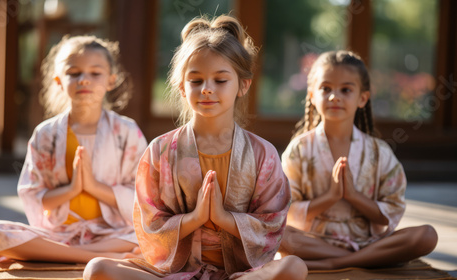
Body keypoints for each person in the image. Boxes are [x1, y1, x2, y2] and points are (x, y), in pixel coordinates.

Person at [83, 15, 307, 280]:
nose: (207, 90)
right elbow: (150, 225)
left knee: (294, 267)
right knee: (96, 270)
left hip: (242, 272)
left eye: (220, 80)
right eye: (196, 80)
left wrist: (224, 219)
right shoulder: (160, 151)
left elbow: (272, 225)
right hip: (179, 270)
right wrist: (196, 218)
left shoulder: (262, 154)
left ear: (243, 85)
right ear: (181, 86)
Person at [0, 35, 148, 263]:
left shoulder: (127, 131)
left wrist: (93, 187)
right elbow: (32, 194)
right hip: (59, 234)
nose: (84, 80)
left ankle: (70, 255)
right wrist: (71, 190)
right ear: (59, 80)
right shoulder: (46, 134)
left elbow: (143, 198)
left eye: (95, 73)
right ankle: (91, 256)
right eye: (74, 73)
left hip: (113, 233)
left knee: (152, 235)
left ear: (111, 80)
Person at [279, 50, 438, 270]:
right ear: (312, 96)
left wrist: (353, 196)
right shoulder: (300, 149)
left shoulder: (378, 151)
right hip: (314, 240)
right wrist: (331, 196)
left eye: (346, 90)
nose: (335, 96)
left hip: (368, 242)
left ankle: (337, 263)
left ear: (362, 98)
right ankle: (363, 261)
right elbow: (284, 209)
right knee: (279, 234)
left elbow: (391, 210)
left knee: (427, 235)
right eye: (326, 89)